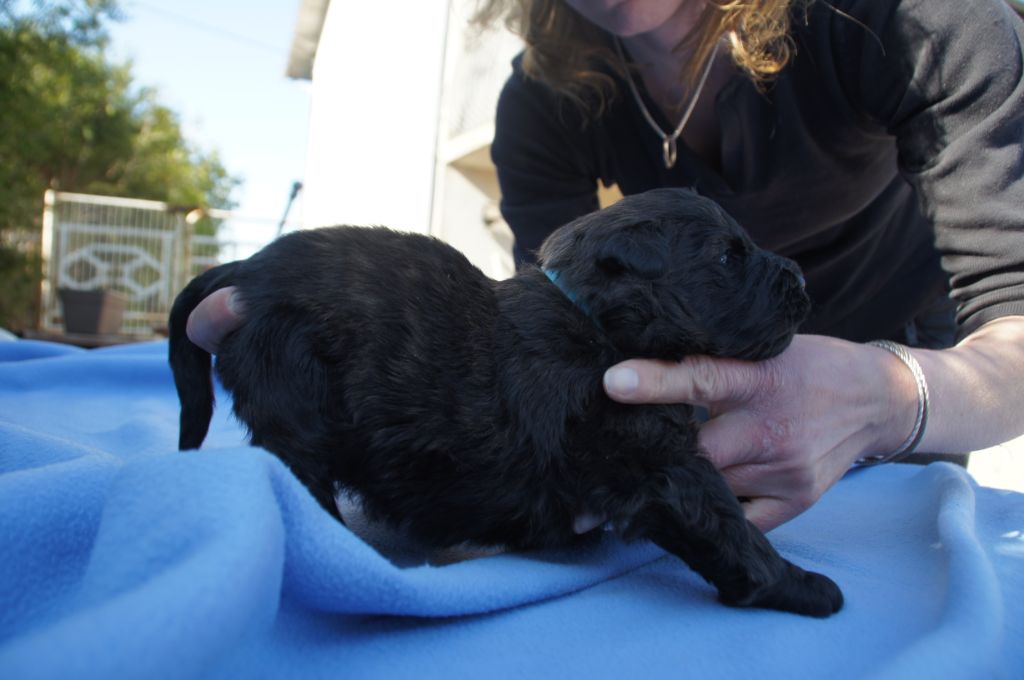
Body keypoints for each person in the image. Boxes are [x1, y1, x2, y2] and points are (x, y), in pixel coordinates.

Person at [188, 0, 1024, 533]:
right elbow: (547, 329)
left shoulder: (912, 21)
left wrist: (890, 399)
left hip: (899, 377)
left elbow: (1013, 336)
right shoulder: (542, 98)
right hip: (683, 412)